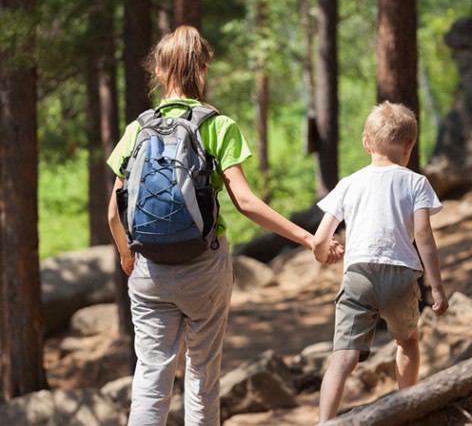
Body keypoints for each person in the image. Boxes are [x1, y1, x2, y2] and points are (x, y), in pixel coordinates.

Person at [106, 25, 341, 426]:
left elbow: (114, 212)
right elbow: (245, 202)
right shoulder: (217, 125)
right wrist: (307, 238)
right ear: (204, 70)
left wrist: (128, 256)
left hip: (148, 272)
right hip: (203, 270)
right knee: (202, 375)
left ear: (159, 72)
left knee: (150, 376)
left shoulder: (136, 130)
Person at [312, 101, 449, 422]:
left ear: (365, 142)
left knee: (342, 358)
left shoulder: (349, 183)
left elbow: (320, 239)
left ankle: (324, 422)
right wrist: (439, 289)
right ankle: (407, 408)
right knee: (408, 342)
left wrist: (324, 254)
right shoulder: (416, 183)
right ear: (410, 146)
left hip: (358, 275)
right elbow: (424, 237)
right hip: (402, 276)